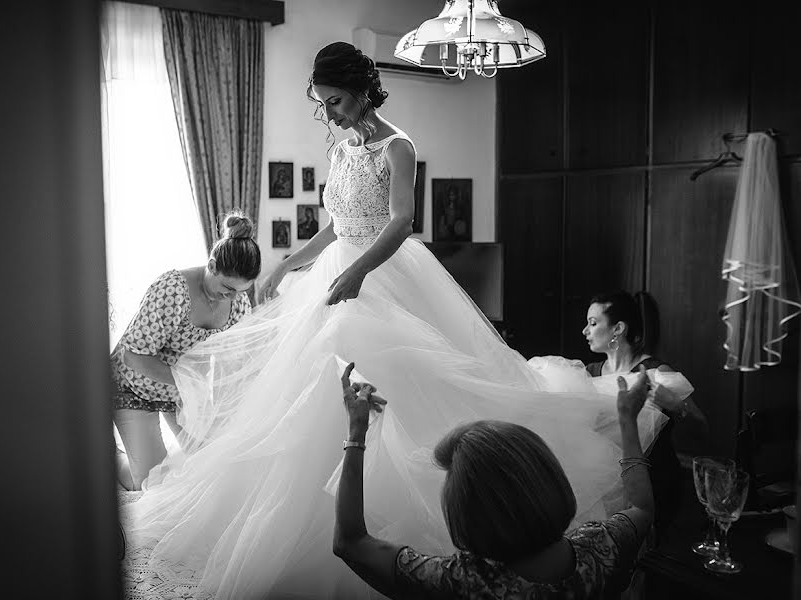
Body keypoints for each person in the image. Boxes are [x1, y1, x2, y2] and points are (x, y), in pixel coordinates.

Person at [121, 42, 666, 599]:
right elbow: (337, 225)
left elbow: (402, 221)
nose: (329, 114)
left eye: (334, 101)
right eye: (322, 104)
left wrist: (357, 274)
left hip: (384, 275)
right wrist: (289, 261)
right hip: (338, 271)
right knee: (304, 401)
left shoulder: (397, 145)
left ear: (360, 92)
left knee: (403, 388)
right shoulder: (341, 151)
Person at [333, 362, 653, 599]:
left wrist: (357, 433)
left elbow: (350, 543)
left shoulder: (459, 583)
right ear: (549, 476)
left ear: (465, 517)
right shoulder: (600, 550)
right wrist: (627, 421)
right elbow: (641, 507)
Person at [110, 212, 259, 490]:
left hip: (180, 393)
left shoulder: (237, 304)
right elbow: (133, 356)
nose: (232, 298)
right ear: (212, 265)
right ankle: (113, 459)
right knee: (150, 483)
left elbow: (235, 358)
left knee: (212, 463)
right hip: (132, 385)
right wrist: (190, 384)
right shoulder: (172, 290)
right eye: (227, 288)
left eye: (240, 291)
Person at [582, 290, 707, 539]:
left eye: (593, 323)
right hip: (606, 486)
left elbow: (701, 429)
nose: (585, 331)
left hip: (654, 481)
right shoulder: (589, 373)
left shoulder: (656, 371)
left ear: (618, 328)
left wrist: (675, 405)